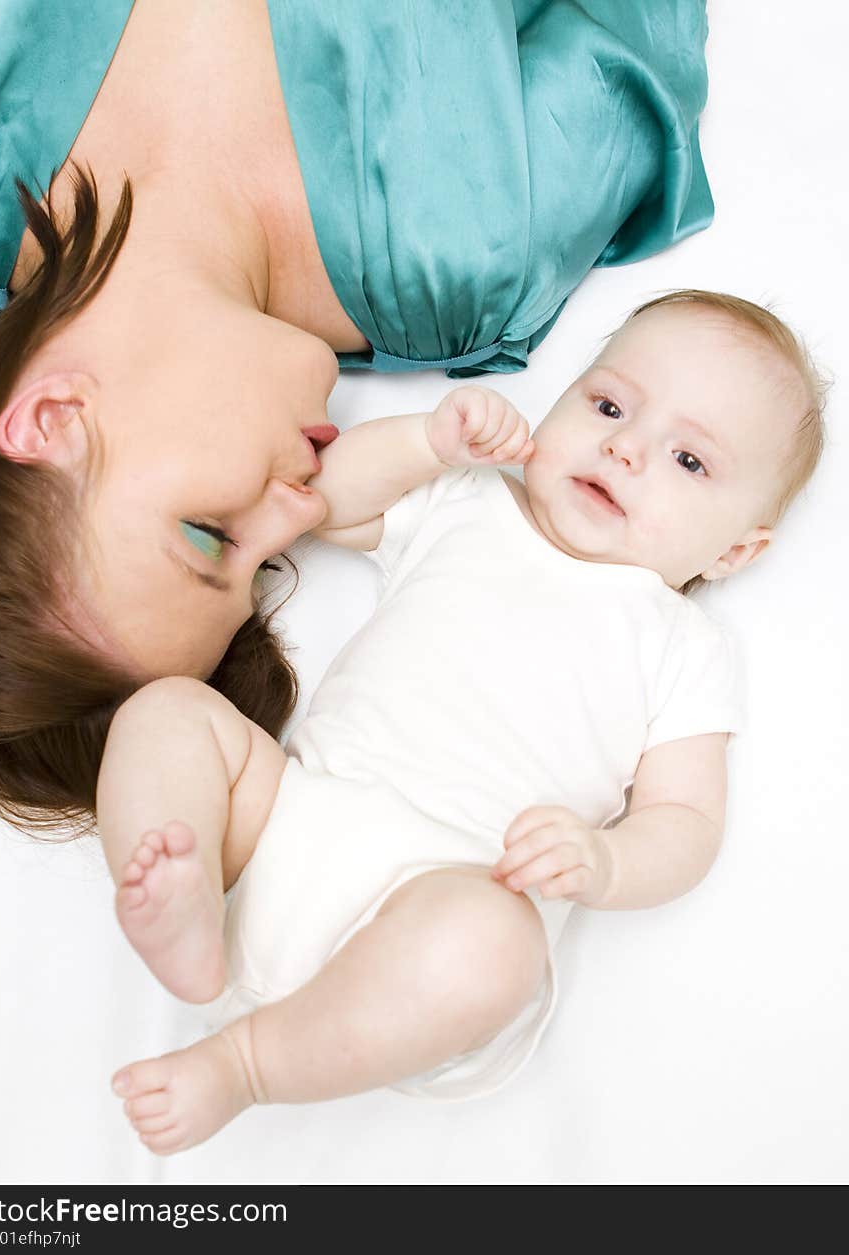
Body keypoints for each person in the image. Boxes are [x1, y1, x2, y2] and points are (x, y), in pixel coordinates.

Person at [95, 291, 825, 1154]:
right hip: (286, 822)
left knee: (497, 948)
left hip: (443, 898)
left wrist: (606, 859)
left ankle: (246, 1065)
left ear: (735, 551)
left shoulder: (682, 645)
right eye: (609, 405)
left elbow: (689, 822)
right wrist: (427, 441)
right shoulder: (470, 502)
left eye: (689, 461)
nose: (625, 448)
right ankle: (180, 906)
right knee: (168, 714)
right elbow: (331, 502)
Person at [0, 0, 714, 830]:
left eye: (211, 533)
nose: (305, 508)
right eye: (264, 567)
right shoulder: (463, 253)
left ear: (50, 420)